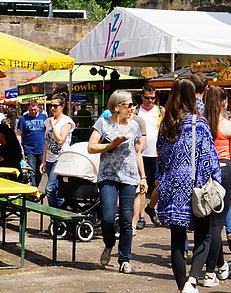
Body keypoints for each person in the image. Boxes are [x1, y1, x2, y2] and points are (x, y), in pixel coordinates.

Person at [155, 78, 221, 293]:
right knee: (204, 235)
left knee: (177, 239)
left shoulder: (167, 123)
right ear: (192, 96)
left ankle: (183, 285)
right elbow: (209, 159)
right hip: (195, 185)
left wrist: (161, 179)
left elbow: (160, 157)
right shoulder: (198, 124)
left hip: (172, 186)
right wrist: (215, 181)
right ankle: (193, 279)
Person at [88, 90, 146, 274]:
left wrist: (143, 176)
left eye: (132, 104)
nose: (132, 108)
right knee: (107, 217)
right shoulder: (103, 123)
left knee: (127, 219)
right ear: (117, 106)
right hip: (107, 176)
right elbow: (91, 147)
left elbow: (137, 153)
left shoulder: (135, 125)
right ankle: (109, 243)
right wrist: (111, 145)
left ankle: (124, 259)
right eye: (129, 105)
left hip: (129, 176)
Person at [201, 85, 231, 287]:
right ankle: (210, 273)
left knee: (207, 223)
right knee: (217, 224)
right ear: (224, 102)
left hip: (203, 171)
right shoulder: (228, 126)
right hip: (224, 170)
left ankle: (221, 265)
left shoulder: (200, 123)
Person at [136, 85, 163, 228]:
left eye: (153, 98)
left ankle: (151, 207)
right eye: (147, 98)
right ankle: (141, 217)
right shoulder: (135, 110)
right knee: (142, 186)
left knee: (159, 184)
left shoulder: (160, 111)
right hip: (139, 153)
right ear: (142, 97)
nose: (150, 100)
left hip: (156, 153)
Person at [43, 93, 74, 208]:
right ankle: (58, 222)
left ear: (62, 106)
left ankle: (57, 217)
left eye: (55, 106)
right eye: (51, 106)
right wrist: (43, 161)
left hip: (61, 158)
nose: (52, 109)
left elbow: (60, 140)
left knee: (50, 189)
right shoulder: (48, 121)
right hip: (50, 159)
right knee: (56, 191)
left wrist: (54, 126)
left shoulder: (67, 122)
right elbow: (46, 142)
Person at [16, 99, 47, 187]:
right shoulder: (23, 119)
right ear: (28, 109)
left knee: (40, 171)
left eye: (35, 110)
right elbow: (19, 133)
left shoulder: (44, 117)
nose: (33, 112)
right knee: (31, 171)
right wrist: (21, 145)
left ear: (38, 109)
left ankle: (36, 186)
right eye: (31, 110)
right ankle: (32, 190)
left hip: (41, 148)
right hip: (29, 148)